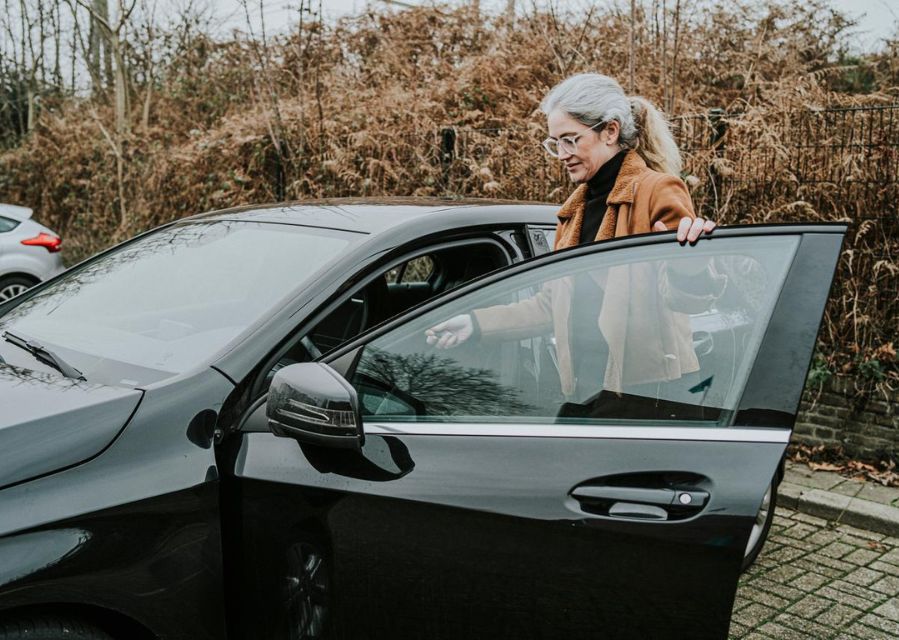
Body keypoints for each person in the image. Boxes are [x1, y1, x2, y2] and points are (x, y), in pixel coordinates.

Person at [426, 73, 722, 405]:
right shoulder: (573, 213)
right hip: (587, 387)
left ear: (610, 131)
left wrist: (693, 268)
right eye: (555, 143)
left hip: (652, 392)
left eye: (570, 139)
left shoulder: (657, 190)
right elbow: (551, 307)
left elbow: (686, 300)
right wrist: (475, 324)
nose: (562, 154)